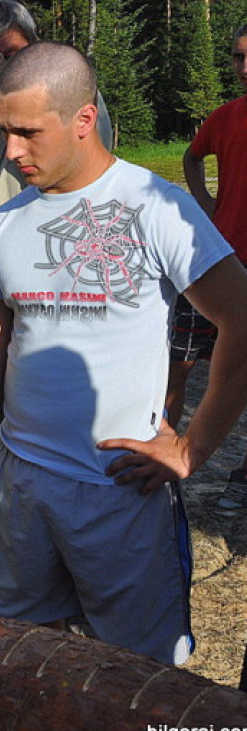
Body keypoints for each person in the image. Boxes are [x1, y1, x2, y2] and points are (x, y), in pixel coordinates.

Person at [0, 42, 247, 665]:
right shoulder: (5, 222)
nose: (11, 151)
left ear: (84, 120)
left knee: (139, 675)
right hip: (20, 485)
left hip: (120, 491)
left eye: (27, 132)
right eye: (2, 130)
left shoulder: (157, 206)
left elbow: (242, 320)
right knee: (16, 656)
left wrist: (190, 448)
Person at [0, 0, 114, 563]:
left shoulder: (78, 111)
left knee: (56, 474)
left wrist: (2, 100)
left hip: (50, 333)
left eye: (5, 57)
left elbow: (73, 193)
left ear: (33, 50)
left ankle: (69, 595)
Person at [169, 24, 247, 516]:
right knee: (177, 365)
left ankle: (242, 478)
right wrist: (207, 206)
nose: (245, 68)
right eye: (238, 57)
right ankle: (156, 459)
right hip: (218, 262)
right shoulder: (225, 116)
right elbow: (191, 157)